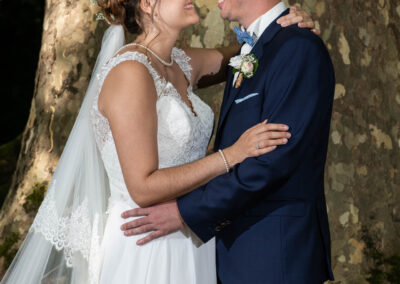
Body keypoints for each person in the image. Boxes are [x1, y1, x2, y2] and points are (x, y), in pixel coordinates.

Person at [0, 0, 316, 283]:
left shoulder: (180, 63)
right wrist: (230, 156)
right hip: (147, 239)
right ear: (149, 4)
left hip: (191, 235)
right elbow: (143, 187)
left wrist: (283, 21)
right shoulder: (130, 73)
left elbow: (250, 53)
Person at [121, 0, 336, 284]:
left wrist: (184, 212)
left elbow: (272, 162)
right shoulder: (134, 70)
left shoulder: (297, 48)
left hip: (273, 256)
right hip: (172, 238)